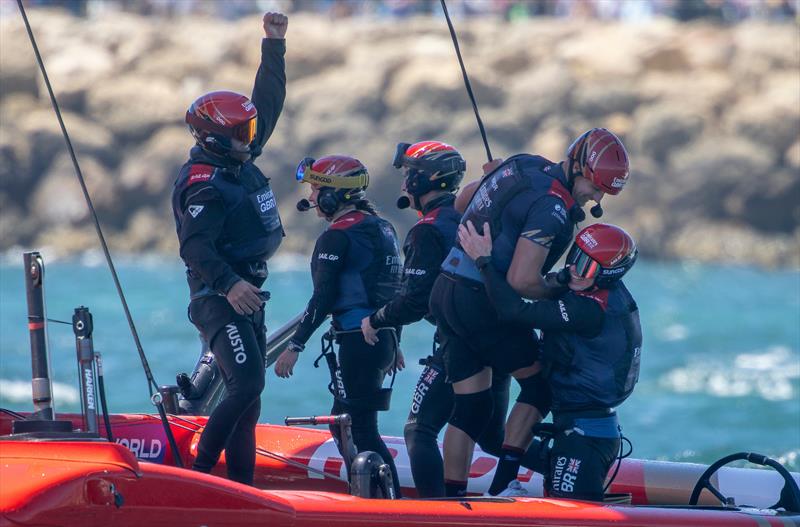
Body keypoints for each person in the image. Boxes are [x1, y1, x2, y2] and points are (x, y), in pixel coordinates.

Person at [429, 128, 630, 497]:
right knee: (540, 388)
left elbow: (461, 204)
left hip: (445, 292)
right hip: (481, 303)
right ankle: (503, 487)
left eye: (604, 192)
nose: (596, 197)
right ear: (577, 166)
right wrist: (559, 287)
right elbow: (522, 281)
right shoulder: (553, 210)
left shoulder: (521, 163)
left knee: (470, 409)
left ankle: (450, 499)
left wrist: (493, 180)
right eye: (595, 187)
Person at [171, 12, 288, 486]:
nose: (251, 140)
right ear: (215, 139)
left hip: (248, 295)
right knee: (246, 385)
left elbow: (267, 105)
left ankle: (242, 487)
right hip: (218, 300)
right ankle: (200, 478)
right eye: (241, 134)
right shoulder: (204, 184)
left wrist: (274, 46)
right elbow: (193, 247)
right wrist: (230, 284)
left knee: (250, 401)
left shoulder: (237, 158)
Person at [458, 221, 642, 501]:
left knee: (569, 516)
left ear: (607, 275)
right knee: (493, 438)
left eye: (587, 267)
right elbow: (566, 279)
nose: (576, 270)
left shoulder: (587, 309)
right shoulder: (596, 288)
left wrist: (483, 260)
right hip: (575, 426)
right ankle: (504, 483)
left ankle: (506, 483)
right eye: (575, 258)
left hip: (585, 436)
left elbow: (514, 311)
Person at [275, 155, 403, 496]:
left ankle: (382, 501)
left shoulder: (336, 237)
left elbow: (323, 299)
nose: (312, 197)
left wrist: (295, 346)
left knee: (358, 426)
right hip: (382, 340)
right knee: (349, 420)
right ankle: (368, 489)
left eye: (317, 189)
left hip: (357, 341)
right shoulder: (382, 227)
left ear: (337, 195)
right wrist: (396, 340)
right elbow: (392, 289)